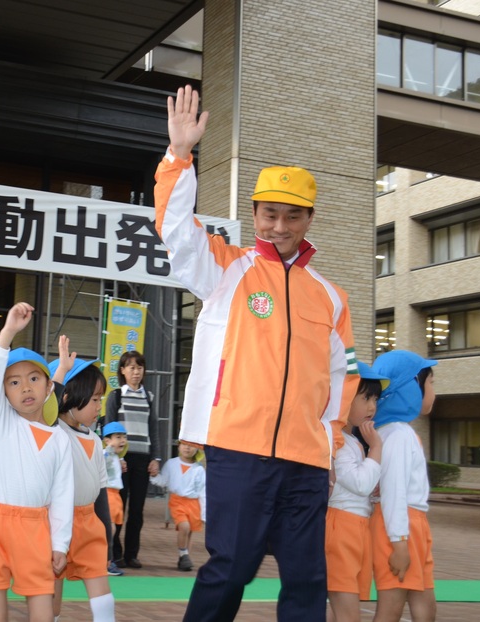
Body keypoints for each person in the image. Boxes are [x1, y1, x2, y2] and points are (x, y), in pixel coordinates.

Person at [155, 85, 360, 621]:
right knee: (231, 566)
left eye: (293, 217)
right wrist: (179, 157)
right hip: (238, 447)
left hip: (306, 461)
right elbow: (176, 233)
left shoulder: (332, 295)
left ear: (310, 219)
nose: (280, 227)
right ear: (255, 213)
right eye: (270, 214)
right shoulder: (227, 269)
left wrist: (330, 443)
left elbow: (343, 378)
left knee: (307, 579)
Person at [0, 302, 73, 622]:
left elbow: (62, 496)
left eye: (34, 378)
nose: (25, 387)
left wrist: (60, 543)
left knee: (41, 590)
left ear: (49, 387)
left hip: (36, 527)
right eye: (14, 382)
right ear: (3, 393)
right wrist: (8, 332)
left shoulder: (60, 438)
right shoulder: (4, 421)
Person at [49, 335, 116, 622]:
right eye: (95, 400)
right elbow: (48, 408)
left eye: (101, 399)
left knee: (100, 584)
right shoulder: (53, 432)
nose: (99, 406)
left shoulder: (96, 440)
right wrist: (61, 372)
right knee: (52, 586)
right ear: (69, 398)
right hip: (56, 521)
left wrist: (109, 538)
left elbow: (101, 490)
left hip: (89, 522)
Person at [370, 351, 438, 622]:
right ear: (410, 387)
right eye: (430, 383)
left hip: (412, 524)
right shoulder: (397, 434)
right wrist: (399, 543)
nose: (434, 391)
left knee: (424, 599)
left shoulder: (394, 432)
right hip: (399, 526)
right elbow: (394, 493)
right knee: (392, 606)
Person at [326, 362, 388, 622]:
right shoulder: (338, 440)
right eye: (364, 398)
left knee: (340, 607)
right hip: (341, 527)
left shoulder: (349, 440)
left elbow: (361, 486)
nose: (372, 406)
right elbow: (360, 484)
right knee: (347, 611)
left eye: (374, 398)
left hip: (354, 527)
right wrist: (376, 448)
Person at [103, 350, 161, 569]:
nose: (136, 372)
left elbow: (154, 430)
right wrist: (115, 457)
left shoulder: (150, 397)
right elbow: (107, 429)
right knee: (118, 508)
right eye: (131, 367)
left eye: (139, 367)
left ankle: (132, 554)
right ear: (122, 370)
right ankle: (115, 554)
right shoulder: (115, 396)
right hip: (121, 461)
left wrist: (156, 458)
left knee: (137, 510)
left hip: (143, 459)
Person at [150, 441, 206, 572]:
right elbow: (164, 480)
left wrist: (204, 513)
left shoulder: (199, 469)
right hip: (177, 501)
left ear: (197, 449)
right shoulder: (171, 463)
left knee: (190, 531)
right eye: (184, 444)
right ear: (179, 446)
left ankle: (185, 558)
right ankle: (183, 554)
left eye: (191, 445)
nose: (187, 448)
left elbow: (203, 491)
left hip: (194, 503)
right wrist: (154, 476)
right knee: (184, 526)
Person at [101, 422, 127, 577]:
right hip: (108, 495)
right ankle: (106, 563)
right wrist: (110, 450)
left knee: (113, 531)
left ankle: (107, 561)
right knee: (108, 531)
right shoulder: (106, 453)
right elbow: (103, 461)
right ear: (107, 440)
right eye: (118, 437)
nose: (122, 440)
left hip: (116, 496)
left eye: (124, 437)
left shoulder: (117, 457)